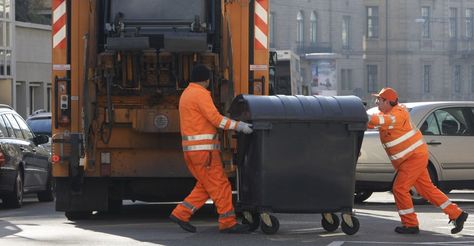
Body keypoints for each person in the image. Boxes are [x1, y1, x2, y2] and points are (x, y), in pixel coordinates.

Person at [367, 87, 468, 234]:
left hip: (413, 158)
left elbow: (379, 120)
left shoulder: (397, 115)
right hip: (412, 157)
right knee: (427, 189)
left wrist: (365, 116)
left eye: (379, 99)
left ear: (388, 101)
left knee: (399, 188)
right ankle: (457, 214)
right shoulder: (386, 112)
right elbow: (373, 121)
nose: (376, 102)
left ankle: (410, 224)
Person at [170, 64, 253, 233]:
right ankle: (228, 222)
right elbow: (216, 120)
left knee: (206, 186)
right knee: (221, 185)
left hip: (193, 152)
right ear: (206, 80)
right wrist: (240, 126)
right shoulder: (200, 95)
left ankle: (181, 213)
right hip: (204, 152)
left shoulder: (186, 94)